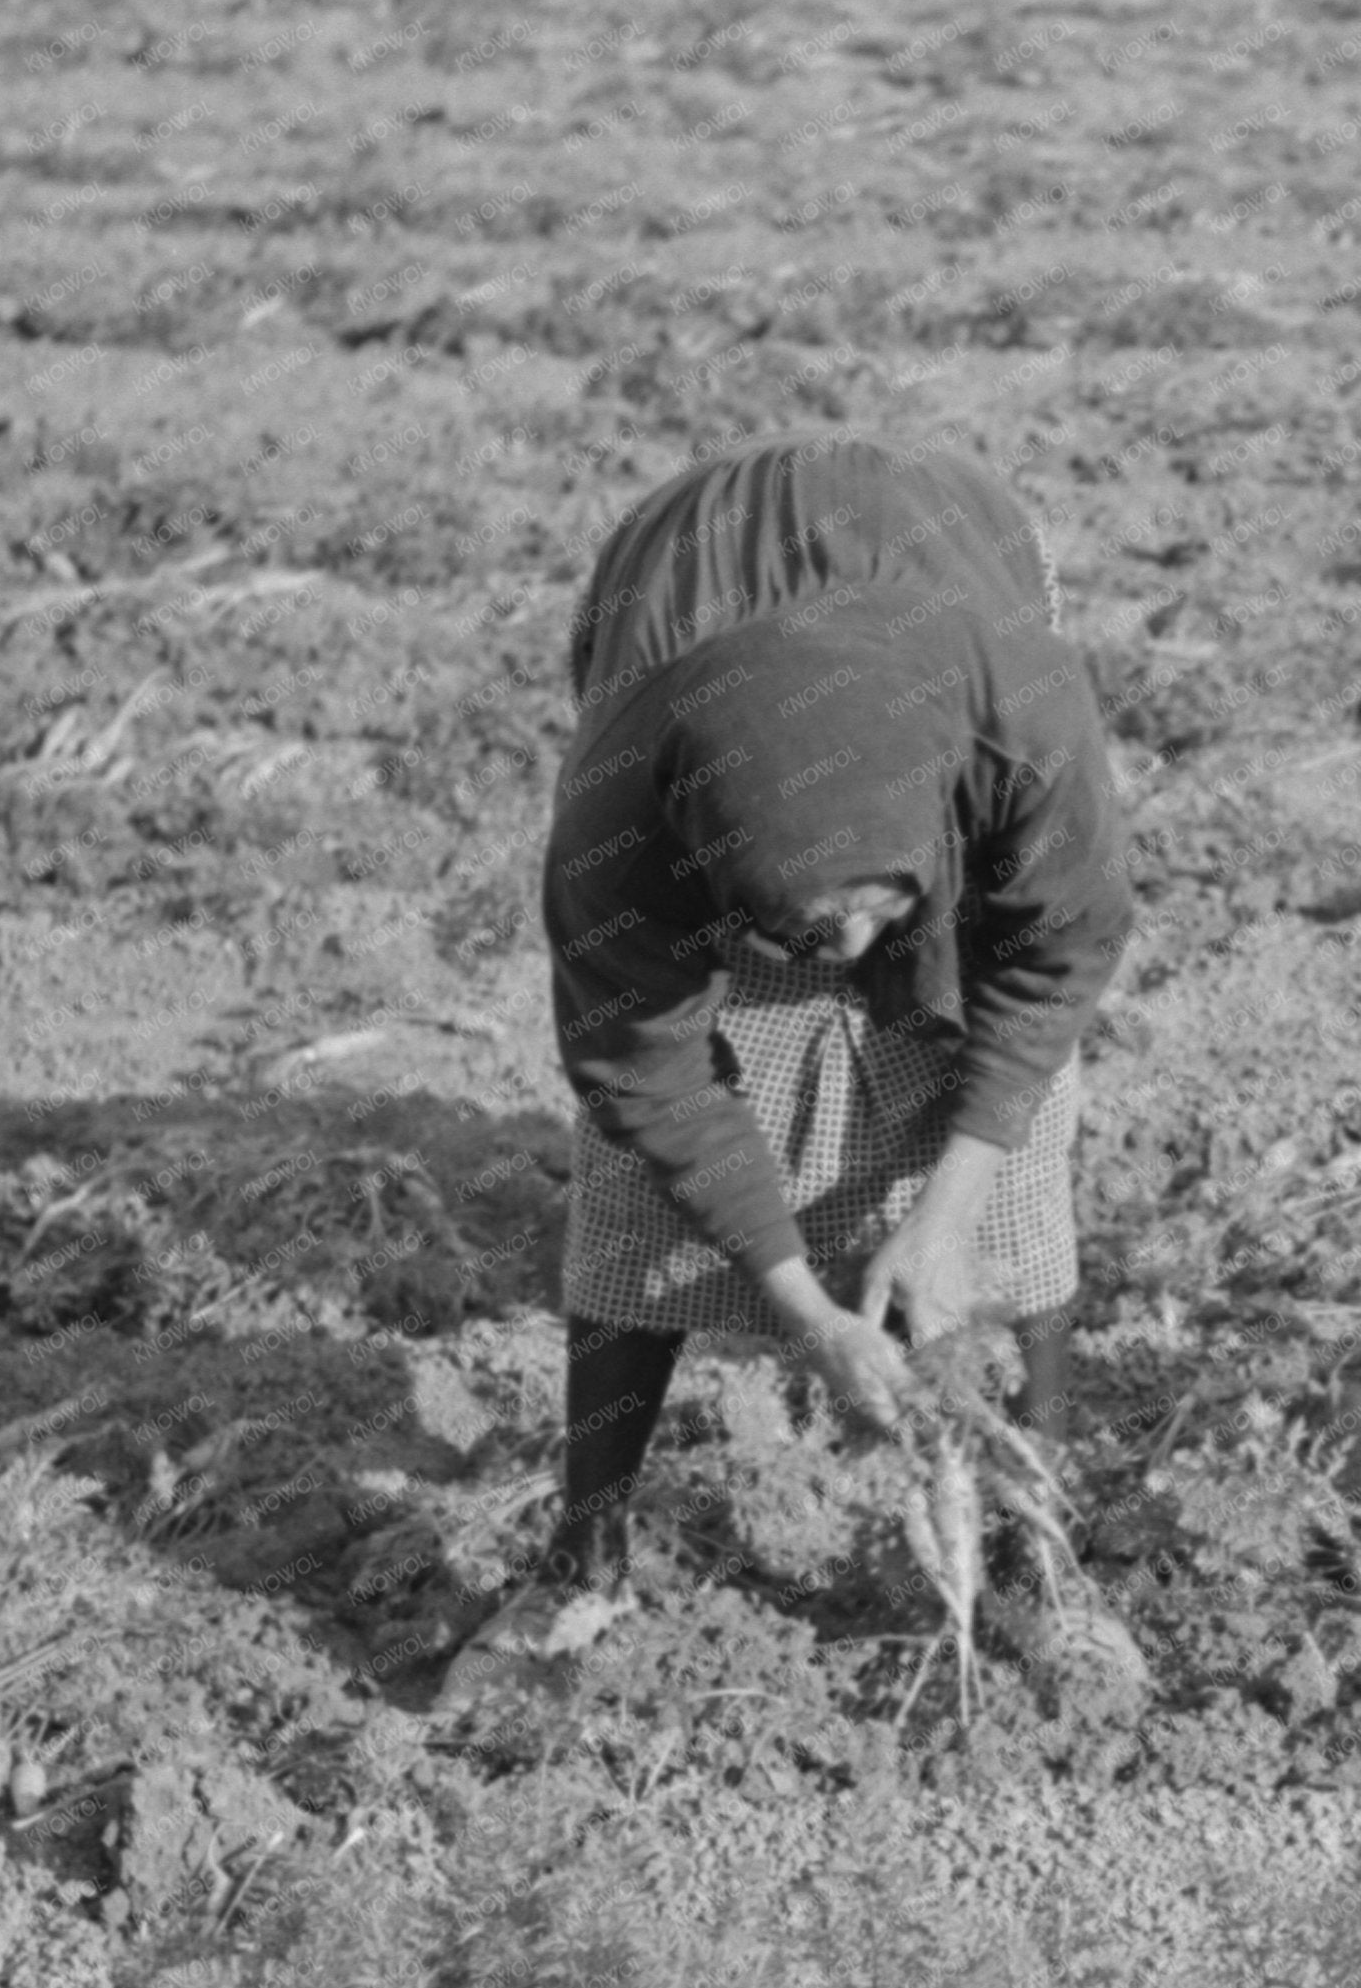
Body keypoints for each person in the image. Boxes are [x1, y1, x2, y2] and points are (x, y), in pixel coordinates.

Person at [452, 436, 1133, 1685]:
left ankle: (1045, 1569)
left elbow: (1050, 968)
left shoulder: (1021, 729)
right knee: (634, 1208)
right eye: (816, 929)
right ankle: (581, 1561)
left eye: (881, 913)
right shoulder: (624, 811)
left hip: (939, 597)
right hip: (689, 602)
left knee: (1017, 1177)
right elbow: (641, 1073)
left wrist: (953, 1210)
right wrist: (802, 1309)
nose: (853, 951)